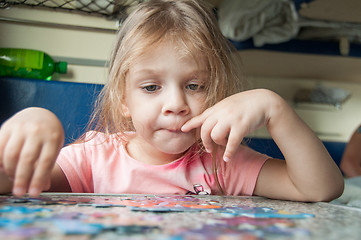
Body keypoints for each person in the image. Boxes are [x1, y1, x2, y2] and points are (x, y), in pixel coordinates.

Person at [0, 0, 343, 201]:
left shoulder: (221, 163)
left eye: (195, 86)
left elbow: (321, 189)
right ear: (123, 100)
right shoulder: (93, 158)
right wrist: (33, 122)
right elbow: (12, 185)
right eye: (151, 88)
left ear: (217, 94)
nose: (175, 103)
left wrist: (275, 108)